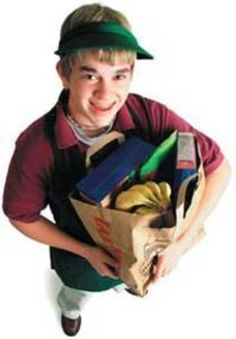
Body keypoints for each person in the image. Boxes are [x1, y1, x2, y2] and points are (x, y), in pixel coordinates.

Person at [2, 3, 231, 337]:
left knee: (125, 281)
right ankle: (69, 304)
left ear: (131, 75)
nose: (105, 94)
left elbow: (220, 168)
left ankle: (122, 284)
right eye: (90, 75)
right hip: (80, 253)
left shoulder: (150, 115)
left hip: (143, 245)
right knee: (79, 289)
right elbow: (20, 215)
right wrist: (86, 252)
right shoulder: (37, 146)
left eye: (118, 76)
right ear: (64, 74)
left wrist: (179, 243)